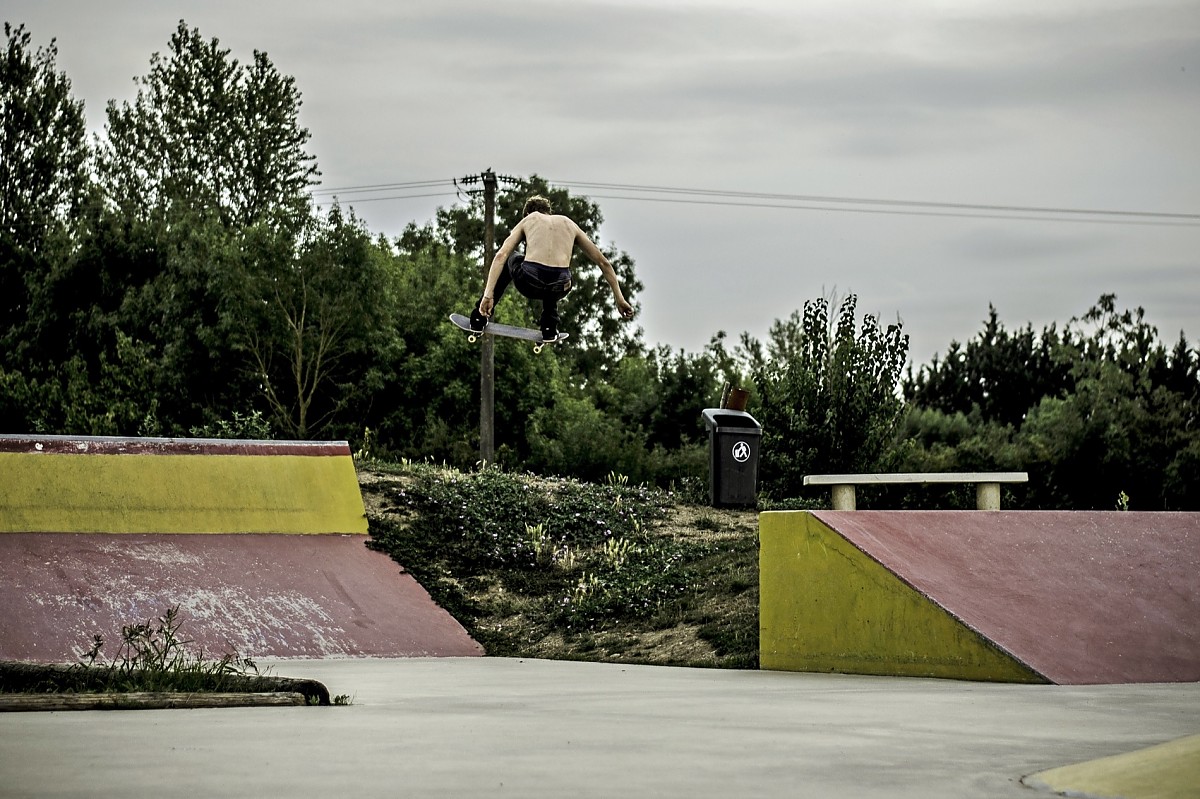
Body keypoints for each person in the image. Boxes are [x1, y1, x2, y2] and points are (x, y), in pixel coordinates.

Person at [471, 195, 635, 341]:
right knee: (559, 275)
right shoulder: (569, 223)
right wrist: (619, 299)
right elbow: (603, 263)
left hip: (529, 280)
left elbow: (500, 256)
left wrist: (488, 296)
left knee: (511, 257)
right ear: (548, 212)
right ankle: (549, 326)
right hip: (561, 285)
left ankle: (479, 317)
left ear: (528, 213)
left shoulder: (530, 219)